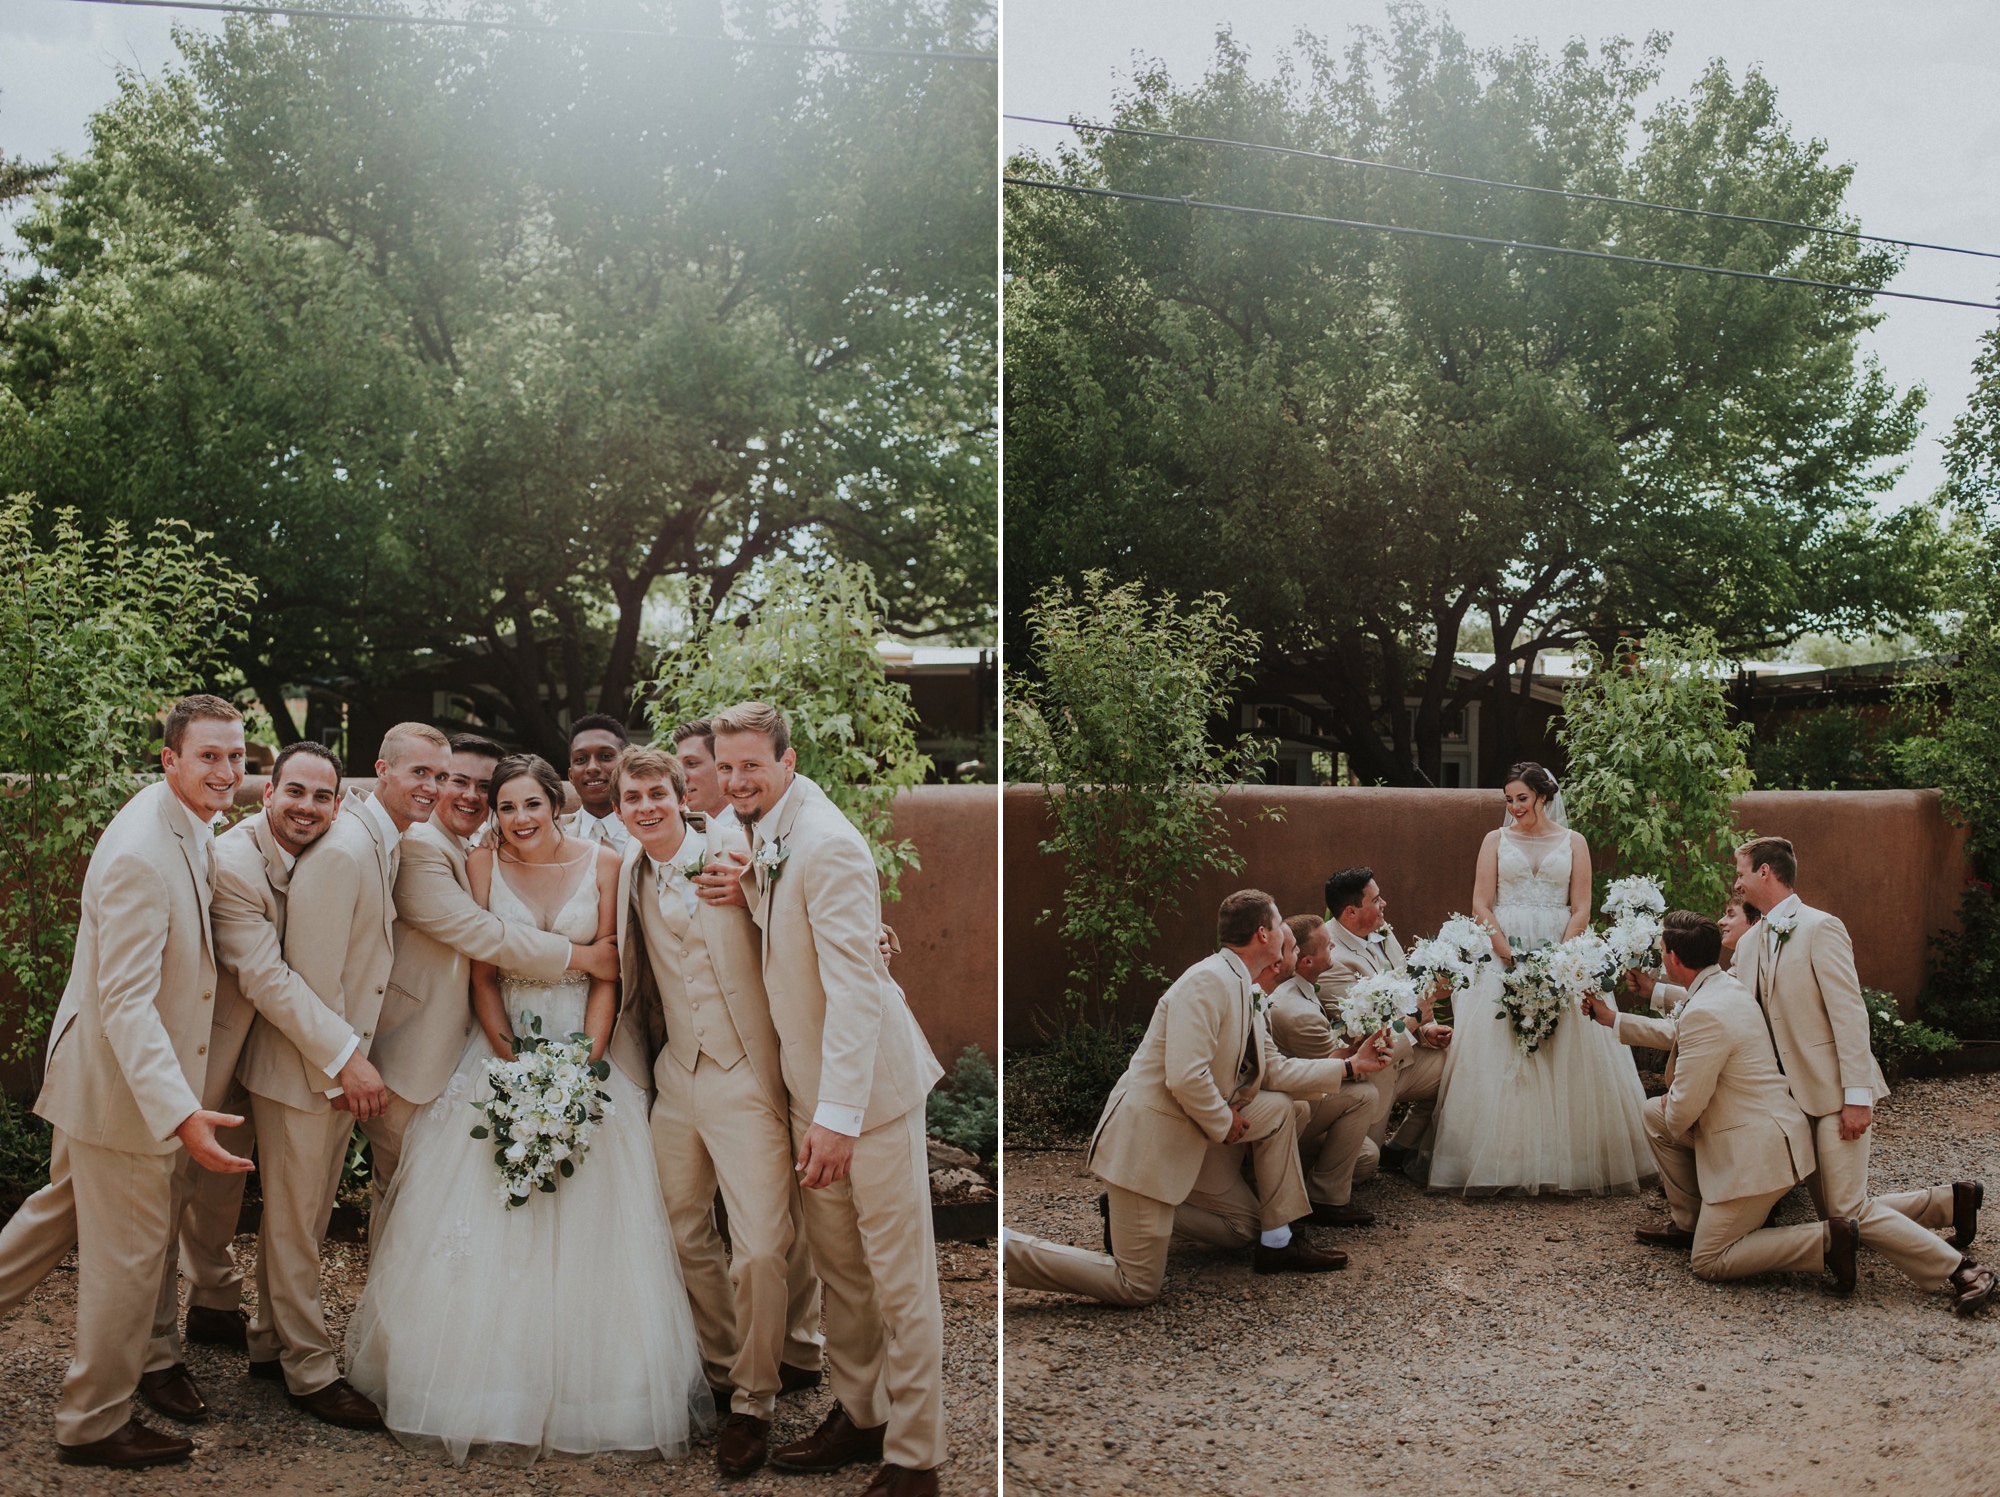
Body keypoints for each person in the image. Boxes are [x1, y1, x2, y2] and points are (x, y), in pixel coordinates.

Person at [346, 754, 711, 1463]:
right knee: (486, 1211)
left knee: (595, 1221)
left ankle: (599, 1394)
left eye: (530, 806)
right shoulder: (480, 868)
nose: (517, 820)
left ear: (556, 805)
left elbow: (613, 970)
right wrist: (511, 1062)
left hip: (585, 1049)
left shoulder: (606, 863)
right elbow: (484, 973)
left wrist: (582, 1063)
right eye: (505, 808)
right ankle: (484, 1392)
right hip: (502, 1048)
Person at [0, 695, 252, 1468]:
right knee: (131, 1259)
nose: (226, 770)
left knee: (54, 1217)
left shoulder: (180, 818)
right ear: (169, 757)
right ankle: (92, 1420)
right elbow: (128, 1005)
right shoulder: (144, 850)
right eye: (208, 755)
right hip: (124, 1096)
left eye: (236, 755)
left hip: (100, 1080)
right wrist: (181, 1115)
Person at [711, 702, 945, 1497]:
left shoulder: (830, 843)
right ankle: (862, 1411)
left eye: (751, 763)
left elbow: (855, 993)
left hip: (865, 1099)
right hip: (813, 1095)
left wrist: (838, 1118)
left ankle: (916, 1455)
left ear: (787, 757)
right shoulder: (764, 829)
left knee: (898, 1279)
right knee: (844, 1273)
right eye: (726, 765)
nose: (736, 778)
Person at [1004, 890, 1390, 1310]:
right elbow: (1186, 1075)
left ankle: (1280, 1240)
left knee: (1270, 1140)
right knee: (1136, 1288)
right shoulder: (1208, 980)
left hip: (1189, 1129)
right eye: (1280, 924)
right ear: (1263, 934)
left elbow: (1275, 1072)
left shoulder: (1245, 986)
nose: (1286, 931)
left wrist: (1353, 1066)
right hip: (1147, 1144)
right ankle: (1010, 1247)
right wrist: (1223, 1122)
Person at [609, 746, 821, 1476]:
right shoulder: (629, 872)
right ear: (620, 807)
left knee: (762, 1244)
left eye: (656, 794)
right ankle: (727, 1365)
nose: (644, 807)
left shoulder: (737, 852)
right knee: (676, 1227)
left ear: (682, 797)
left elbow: (806, 907)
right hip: (677, 1076)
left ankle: (755, 1405)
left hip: (744, 1076)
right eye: (631, 796)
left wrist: (876, 939)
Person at [240, 722, 453, 1428]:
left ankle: (271, 1345)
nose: (429, 786)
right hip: (305, 1068)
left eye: (438, 776)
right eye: (417, 772)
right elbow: (303, 980)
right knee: (299, 1226)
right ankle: (308, 1370)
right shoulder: (344, 851)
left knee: (297, 1217)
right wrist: (345, 1063)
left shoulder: (382, 840)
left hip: (327, 1067)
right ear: (381, 771)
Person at [1730, 837, 1993, 1311]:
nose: (1737, 880)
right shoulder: (1752, 941)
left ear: (1766, 872)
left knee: (1848, 1210)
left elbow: (1850, 1015)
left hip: (1834, 1095)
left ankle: (1965, 1272)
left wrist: (1856, 1097)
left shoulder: (1820, 928)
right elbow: (1725, 1003)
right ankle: (1951, 1203)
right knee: (1837, 1212)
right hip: (1791, 1104)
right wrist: (1655, 991)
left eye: (1742, 871)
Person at [157, 740, 346, 1385]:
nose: (307, 806)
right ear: (267, 793)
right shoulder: (236, 862)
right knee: (191, 1183)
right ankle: (172, 1336)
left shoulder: (334, 849)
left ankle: (223, 1307)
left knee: (244, 1184)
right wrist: (346, 1055)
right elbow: (266, 977)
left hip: (284, 1047)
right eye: (294, 791)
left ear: (338, 805)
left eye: (322, 796)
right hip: (218, 1039)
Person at [363, 732, 613, 1206]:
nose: (470, 796)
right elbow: (481, 934)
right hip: (423, 1046)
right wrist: (584, 957)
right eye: (455, 780)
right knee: (404, 1194)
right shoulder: (422, 847)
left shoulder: (475, 847)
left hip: (502, 1042)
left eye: (484, 788)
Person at [1423, 762, 1654, 1196]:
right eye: (1508, 800)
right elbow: (1480, 903)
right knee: (1503, 1049)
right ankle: (1501, 1161)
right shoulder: (1494, 840)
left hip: (1562, 950)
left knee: (1566, 1047)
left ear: (1543, 796)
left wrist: (1558, 959)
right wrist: (1512, 957)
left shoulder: (1575, 842)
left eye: (1521, 799)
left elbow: (1581, 906)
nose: (1513, 808)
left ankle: (1570, 1161)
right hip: (1502, 952)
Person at [1586, 912, 1842, 1284]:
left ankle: (1826, 1240)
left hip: (1758, 1156)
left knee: (1709, 1261)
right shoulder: (1724, 986)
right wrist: (1614, 1019)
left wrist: (1672, 1103)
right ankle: (1689, 1222)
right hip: (1772, 1132)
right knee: (1652, 1113)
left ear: (1673, 958)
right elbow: (1681, 1032)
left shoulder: (1706, 1010)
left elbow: (1680, 1115)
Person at [1316, 868, 1450, 1172]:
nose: (1384, 904)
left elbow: (1405, 992)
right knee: (1362, 1169)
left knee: (1459, 1065)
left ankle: (1401, 1146)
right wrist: (1417, 1019)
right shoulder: (1330, 959)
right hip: (1373, 1069)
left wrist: (1428, 1029)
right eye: (1376, 900)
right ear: (1351, 911)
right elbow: (1362, 1035)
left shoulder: (1383, 933)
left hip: (1408, 1056)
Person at [1264, 914, 1383, 1226]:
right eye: (1326, 946)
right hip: (1296, 1105)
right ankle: (1324, 1198)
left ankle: (1301, 1177)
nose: (1333, 944)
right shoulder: (1300, 1013)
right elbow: (1332, 1068)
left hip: (1300, 1093)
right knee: (1365, 1095)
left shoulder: (1300, 989)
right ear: (1305, 962)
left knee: (1367, 1156)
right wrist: (1377, 1040)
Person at [562, 713, 630, 849]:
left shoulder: (651, 831)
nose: (592, 768)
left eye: (605, 756)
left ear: (625, 765)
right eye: (581, 759)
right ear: (570, 776)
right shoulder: (555, 834)